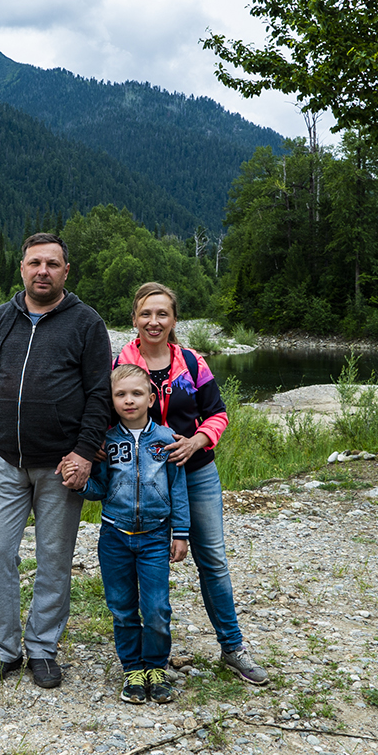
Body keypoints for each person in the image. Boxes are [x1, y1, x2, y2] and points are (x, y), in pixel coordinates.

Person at [0, 233, 112, 689]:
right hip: (4, 460)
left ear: (66, 271)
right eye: (35, 263)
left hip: (61, 464)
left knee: (54, 559)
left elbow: (100, 394)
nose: (43, 271)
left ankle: (43, 648)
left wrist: (84, 451)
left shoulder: (87, 323)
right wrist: (6, 420)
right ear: (22, 268)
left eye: (52, 264)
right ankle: (3, 649)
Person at [113, 281, 269, 685]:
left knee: (212, 559)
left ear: (174, 319)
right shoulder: (121, 362)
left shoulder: (192, 361)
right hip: (142, 480)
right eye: (146, 314)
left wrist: (197, 440)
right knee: (136, 562)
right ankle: (143, 656)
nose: (154, 321)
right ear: (135, 319)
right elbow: (107, 413)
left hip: (196, 472)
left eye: (162, 314)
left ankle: (232, 647)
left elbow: (218, 413)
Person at [75, 364, 188, 704]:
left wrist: (180, 533)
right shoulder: (106, 443)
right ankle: (133, 669)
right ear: (111, 401)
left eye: (137, 394)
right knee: (122, 608)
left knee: (156, 609)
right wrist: (79, 484)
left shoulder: (167, 440)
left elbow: (178, 488)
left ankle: (156, 667)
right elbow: (99, 489)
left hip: (155, 536)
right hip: (115, 536)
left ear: (151, 399)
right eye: (120, 394)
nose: (129, 400)